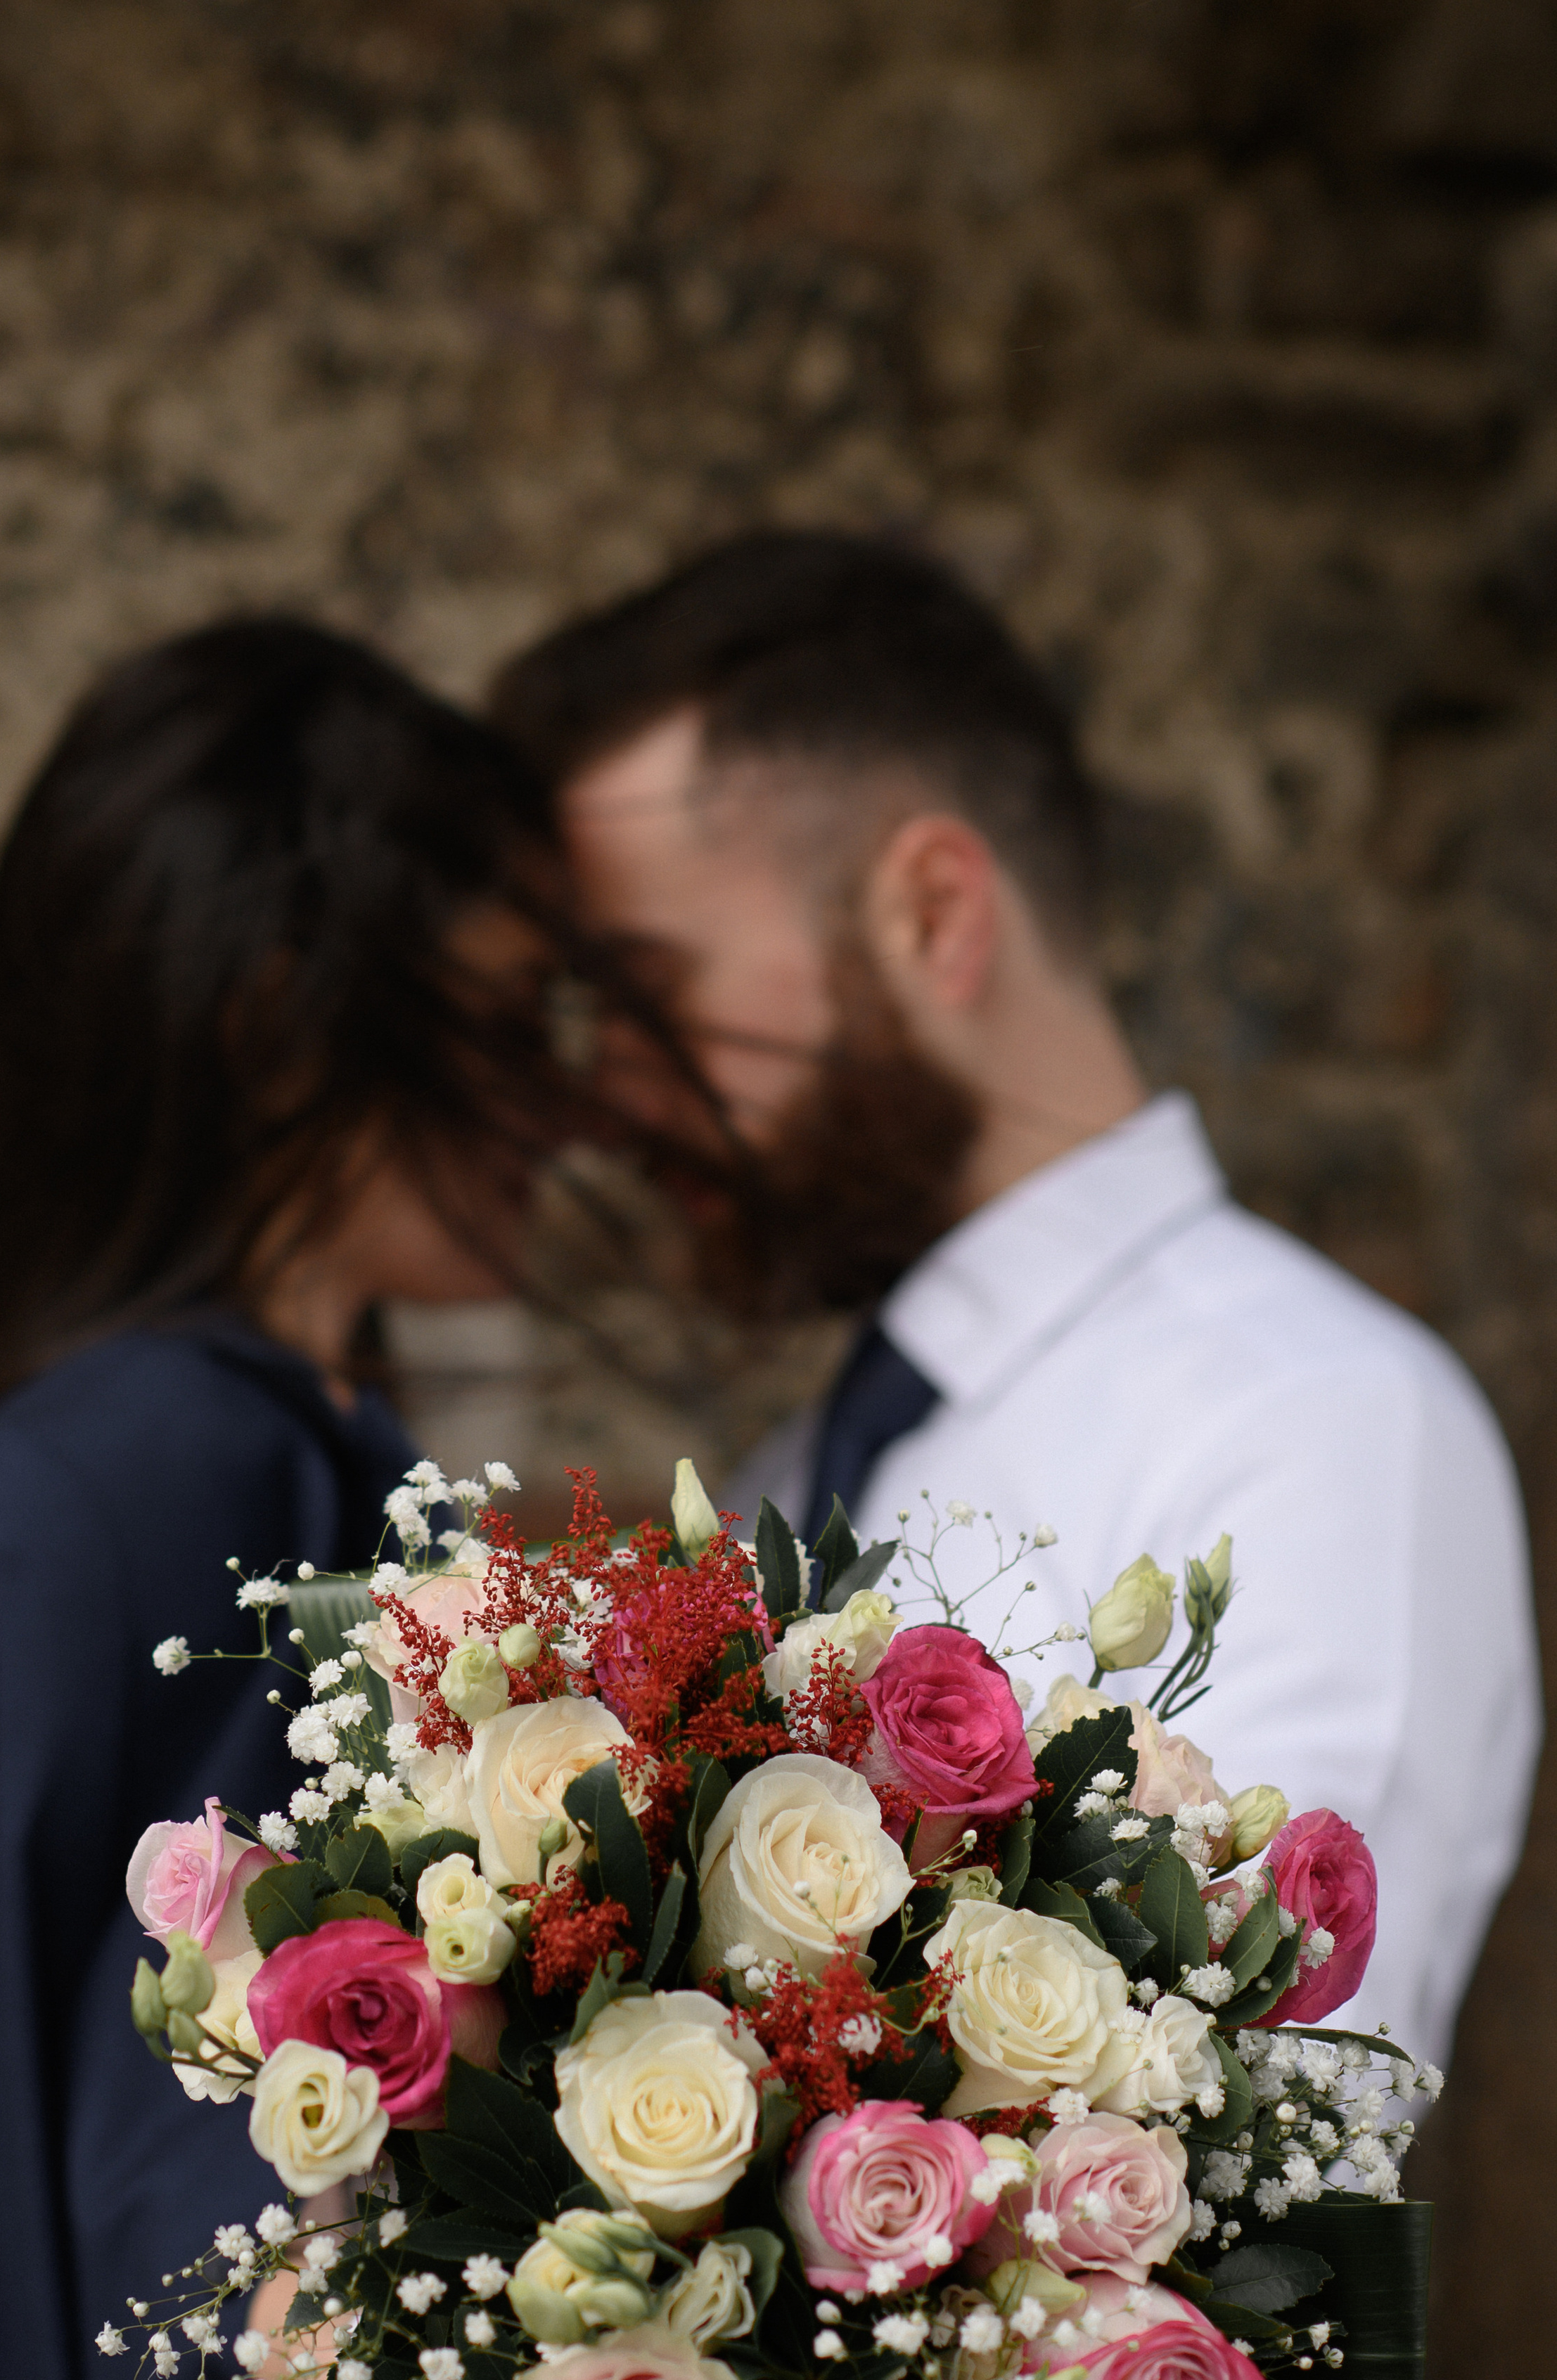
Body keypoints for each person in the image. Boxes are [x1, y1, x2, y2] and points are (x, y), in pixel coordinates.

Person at [0, 618, 721, 2380]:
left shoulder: (332, 1454)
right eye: (497, 1017)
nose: (557, 1101)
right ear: (290, 1026)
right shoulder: (83, 1489)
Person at [491, 527, 1542, 2097]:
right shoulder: (814, 1447)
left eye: (651, 996)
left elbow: (1264, 2123)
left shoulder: (1321, 1429)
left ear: (929, 914)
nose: (606, 1104)